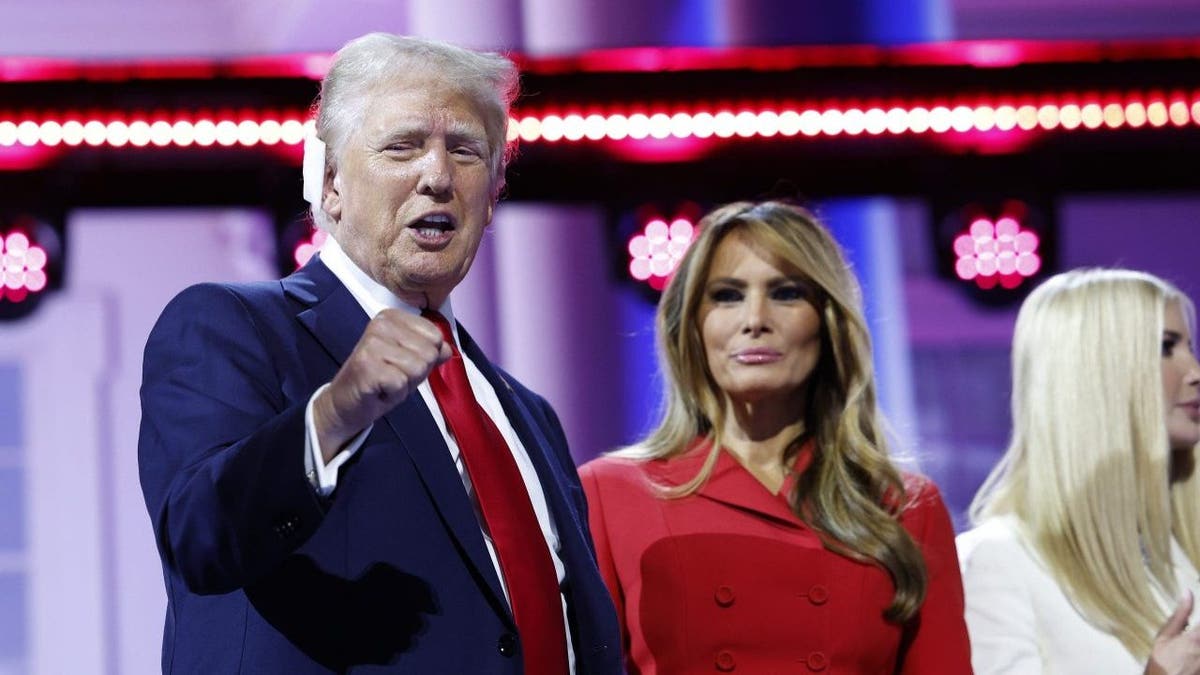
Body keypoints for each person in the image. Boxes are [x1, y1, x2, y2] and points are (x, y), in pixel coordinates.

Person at [137, 33, 621, 674]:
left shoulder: (528, 414)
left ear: (495, 192)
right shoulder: (231, 327)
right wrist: (333, 416)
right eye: (403, 147)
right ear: (331, 181)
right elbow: (201, 537)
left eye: (467, 151)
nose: (439, 177)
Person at [578, 200, 972, 674]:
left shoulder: (903, 508)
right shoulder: (609, 493)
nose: (755, 319)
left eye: (785, 293)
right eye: (727, 295)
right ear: (693, 328)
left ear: (827, 323)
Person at [957, 268, 1200, 675]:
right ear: (1095, 371)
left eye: (1189, 346)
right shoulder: (998, 563)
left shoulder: (1180, 550)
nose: (1194, 371)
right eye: (1165, 347)